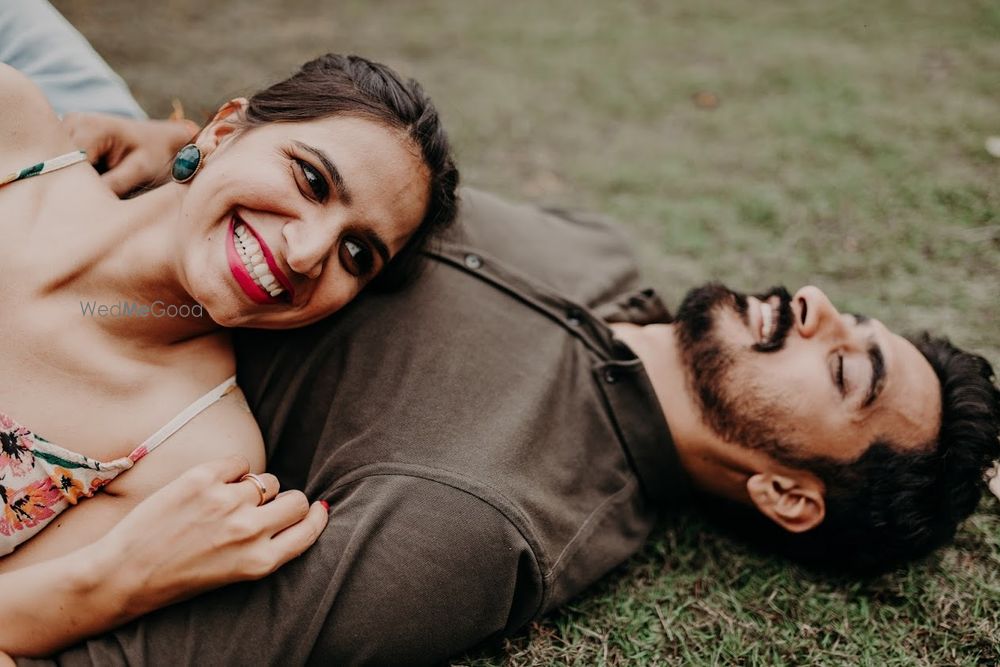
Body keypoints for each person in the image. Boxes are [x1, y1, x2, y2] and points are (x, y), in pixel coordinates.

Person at [8, 3, 1000, 665]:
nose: (815, 298)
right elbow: (362, 164)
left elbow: (123, 644)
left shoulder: (480, 527)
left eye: (844, 369)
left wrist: (114, 571)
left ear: (787, 493)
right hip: (125, 192)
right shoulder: (605, 256)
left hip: (105, 385)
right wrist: (178, 147)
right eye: (847, 321)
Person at [0, 43, 459, 659]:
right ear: (222, 131)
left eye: (356, 255)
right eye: (312, 179)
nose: (306, 254)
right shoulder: (12, 126)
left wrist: (116, 577)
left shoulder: (193, 451)